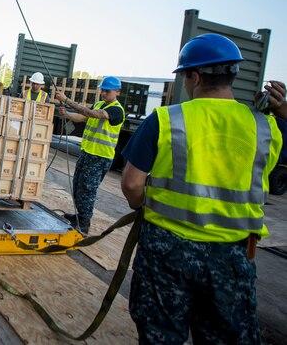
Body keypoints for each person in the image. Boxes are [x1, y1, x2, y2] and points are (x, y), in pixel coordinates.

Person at [120, 33, 282, 344]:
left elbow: (131, 183)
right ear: (232, 74)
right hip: (232, 256)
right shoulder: (265, 127)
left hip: (166, 252)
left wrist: (141, 205)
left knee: (161, 335)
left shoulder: (166, 119)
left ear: (194, 76)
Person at [53, 76, 125, 234]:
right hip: (87, 152)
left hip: (100, 156)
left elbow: (93, 114)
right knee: (78, 185)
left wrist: (66, 100)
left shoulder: (116, 110)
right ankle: (79, 215)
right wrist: (67, 114)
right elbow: (82, 116)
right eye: (103, 90)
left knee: (88, 189)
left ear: (117, 92)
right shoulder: (99, 104)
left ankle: (84, 222)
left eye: (107, 91)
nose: (104, 93)